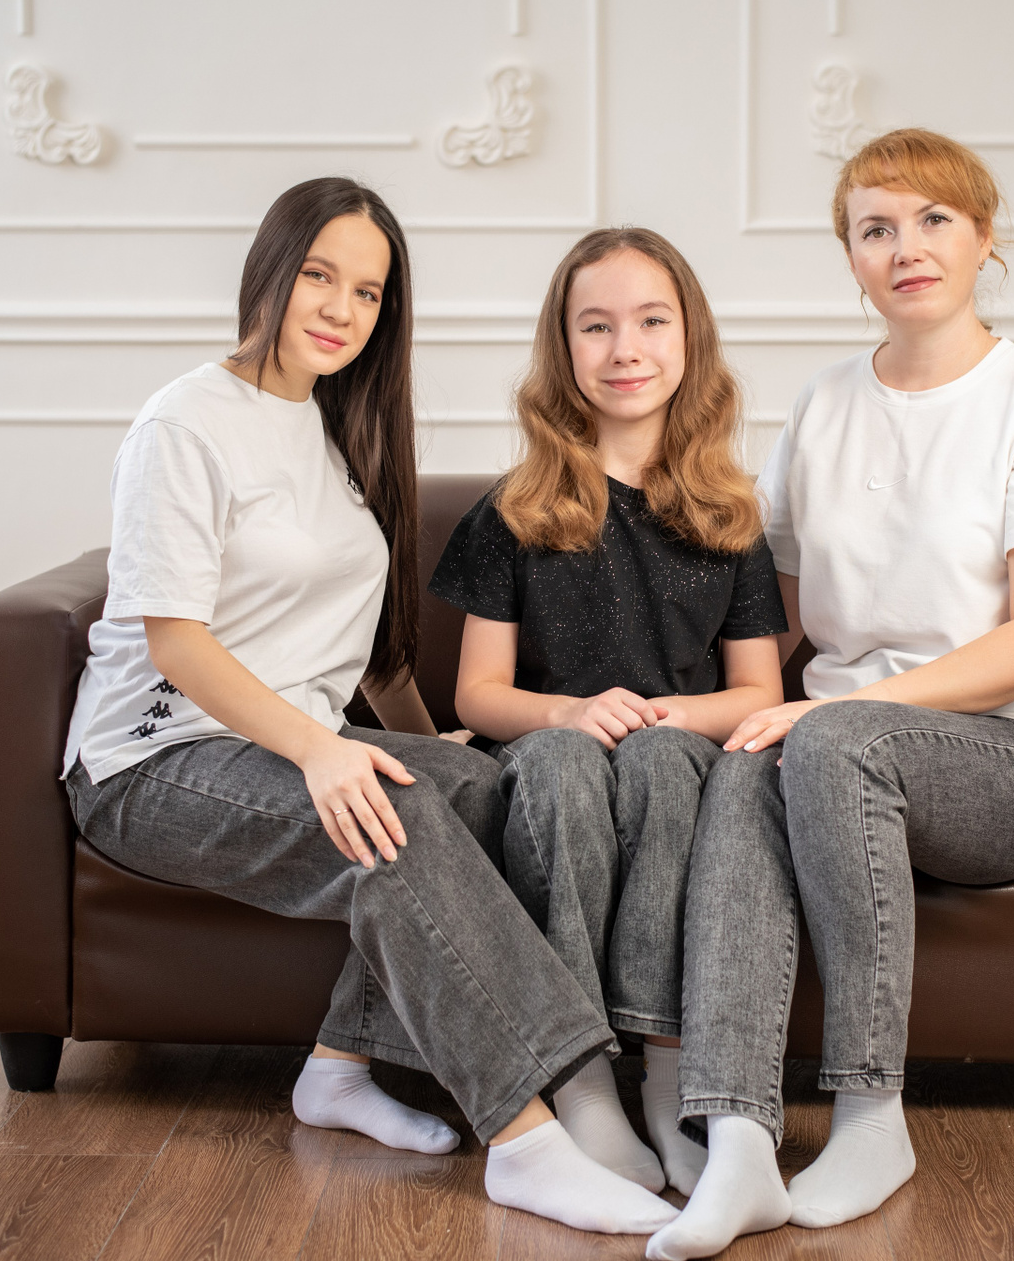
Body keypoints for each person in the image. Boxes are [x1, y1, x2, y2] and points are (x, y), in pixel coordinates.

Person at [59, 178, 678, 1236]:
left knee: (480, 787)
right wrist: (324, 752)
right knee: (392, 824)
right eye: (320, 276)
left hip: (290, 739)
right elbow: (176, 641)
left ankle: (338, 1068)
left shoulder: (334, 427)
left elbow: (357, 647)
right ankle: (531, 1135)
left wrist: (426, 744)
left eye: (368, 291)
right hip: (154, 758)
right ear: (269, 270)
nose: (342, 308)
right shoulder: (185, 422)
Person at [648, 129, 1014, 1260]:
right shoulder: (823, 403)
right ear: (851, 259)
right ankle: (737, 1138)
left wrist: (838, 716)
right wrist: (671, 708)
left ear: (984, 238)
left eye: (934, 219)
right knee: (749, 757)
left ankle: (869, 1117)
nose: (907, 248)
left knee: (827, 740)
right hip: (834, 746)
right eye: (875, 229)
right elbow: (769, 614)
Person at [429, 227, 788, 1197]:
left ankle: (670, 1081)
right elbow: (475, 694)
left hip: (677, 758)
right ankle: (582, 1081)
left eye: (651, 321)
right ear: (564, 347)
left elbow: (760, 693)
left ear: (689, 338)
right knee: (559, 763)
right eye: (596, 326)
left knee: (663, 759)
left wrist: (673, 714)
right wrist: (568, 711)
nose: (625, 348)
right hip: (550, 758)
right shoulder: (514, 509)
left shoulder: (730, 515)